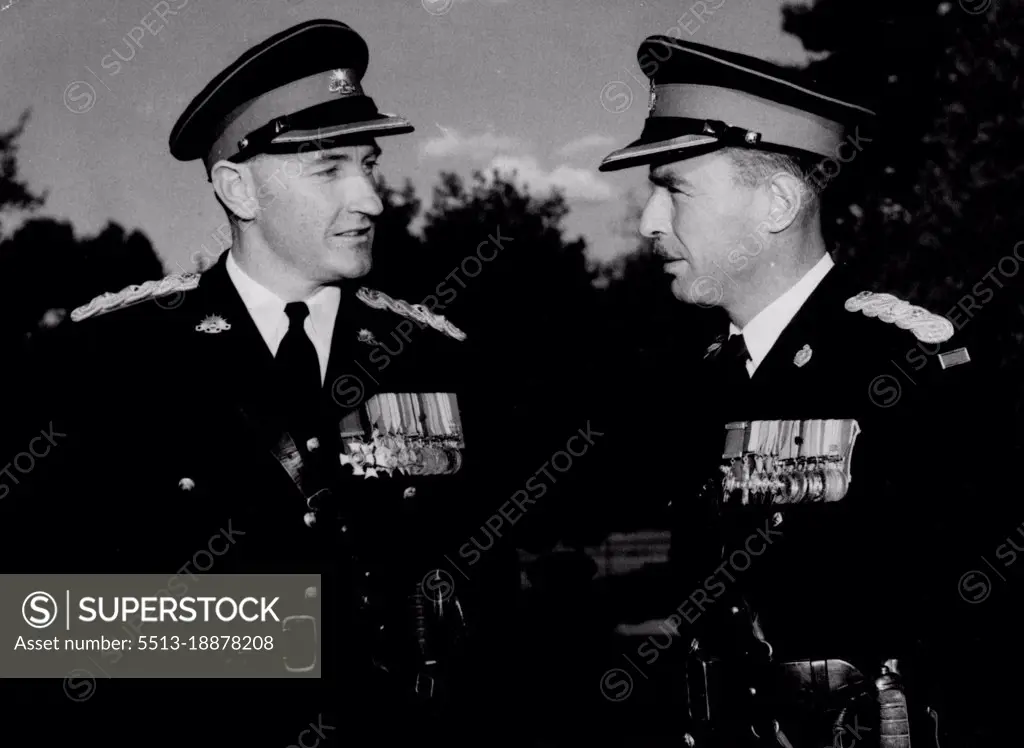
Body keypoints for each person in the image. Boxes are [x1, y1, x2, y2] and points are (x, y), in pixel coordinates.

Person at [2, 18, 500, 745]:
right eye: (330, 170)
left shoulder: (433, 358)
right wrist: (285, 632)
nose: (371, 199)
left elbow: (491, 605)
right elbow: (36, 624)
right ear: (238, 188)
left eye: (369, 164)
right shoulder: (110, 360)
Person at [597, 36, 1002, 747]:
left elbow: (986, 629)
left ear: (778, 201)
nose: (649, 223)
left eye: (675, 189)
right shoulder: (701, 379)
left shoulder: (902, 371)